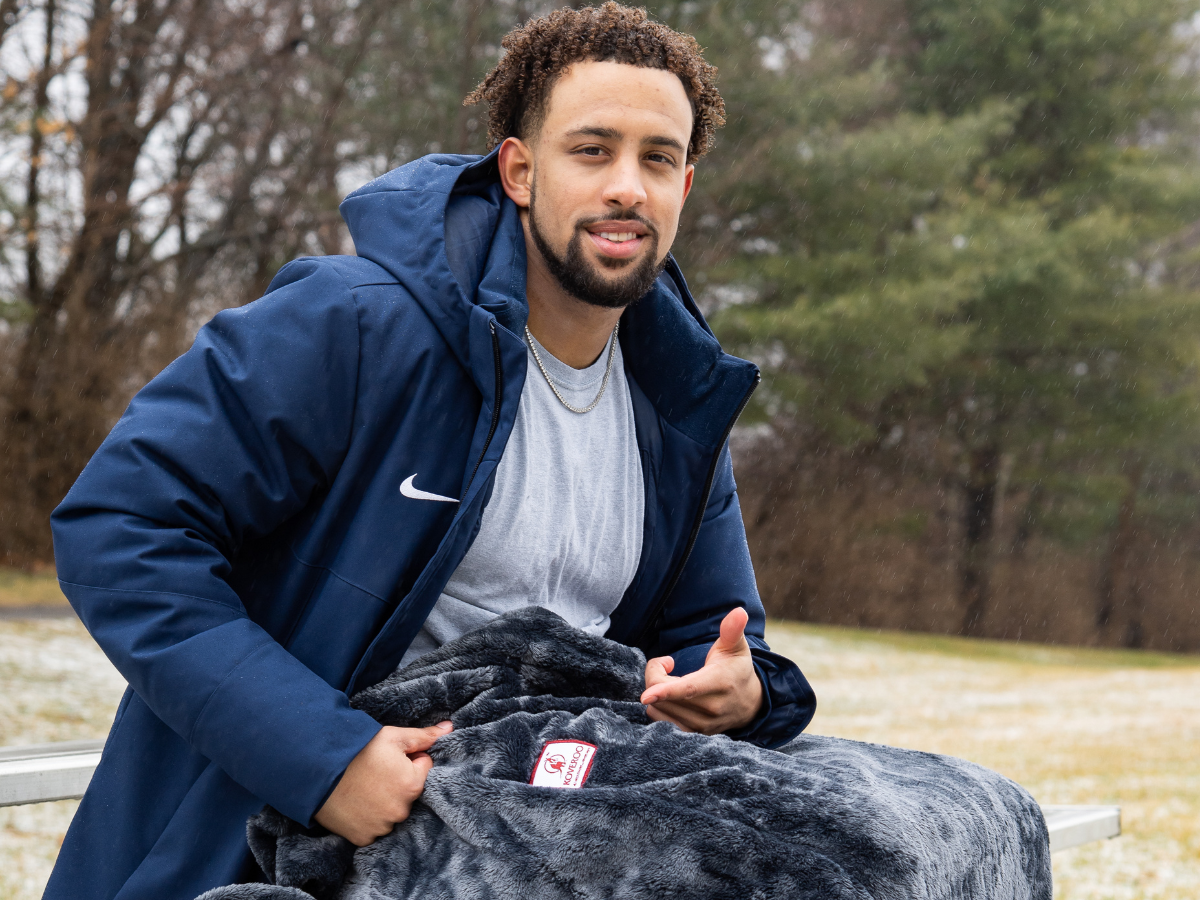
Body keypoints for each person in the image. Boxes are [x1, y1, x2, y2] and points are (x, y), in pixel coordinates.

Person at [45, 3, 816, 897]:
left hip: (526, 850)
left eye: (659, 159)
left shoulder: (677, 405)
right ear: (520, 171)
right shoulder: (354, 325)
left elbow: (710, 639)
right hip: (257, 845)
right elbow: (119, 527)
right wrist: (323, 758)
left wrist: (743, 692)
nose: (628, 189)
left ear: (687, 185)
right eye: (592, 150)